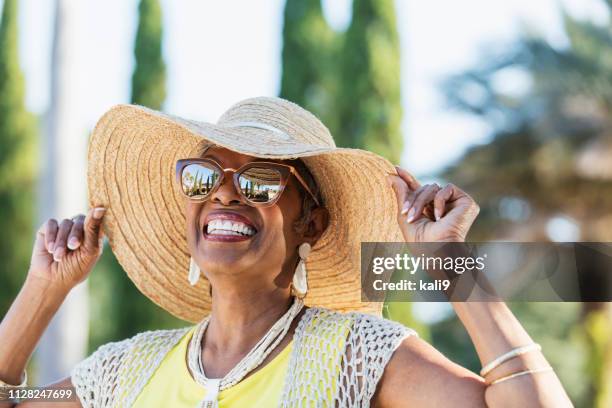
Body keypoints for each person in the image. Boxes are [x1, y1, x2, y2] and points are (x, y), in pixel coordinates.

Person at [0, 97, 571, 407]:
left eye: (262, 182)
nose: (225, 191)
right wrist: (42, 291)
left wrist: (450, 266)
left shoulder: (359, 357)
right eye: (204, 177)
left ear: (311, 223)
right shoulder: (125, 372)